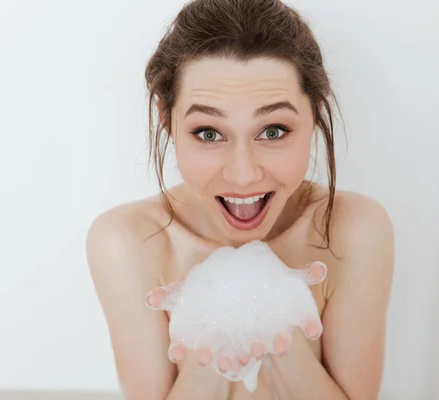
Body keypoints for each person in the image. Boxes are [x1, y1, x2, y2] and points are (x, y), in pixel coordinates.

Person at [86, 0, 394, 399]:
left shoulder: (353, 230)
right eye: (209, 133)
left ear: (315, 113)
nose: (244, 174)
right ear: (167, 119)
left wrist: (281, 336)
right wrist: (207, 342)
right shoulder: (129, 242)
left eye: (273, 130)